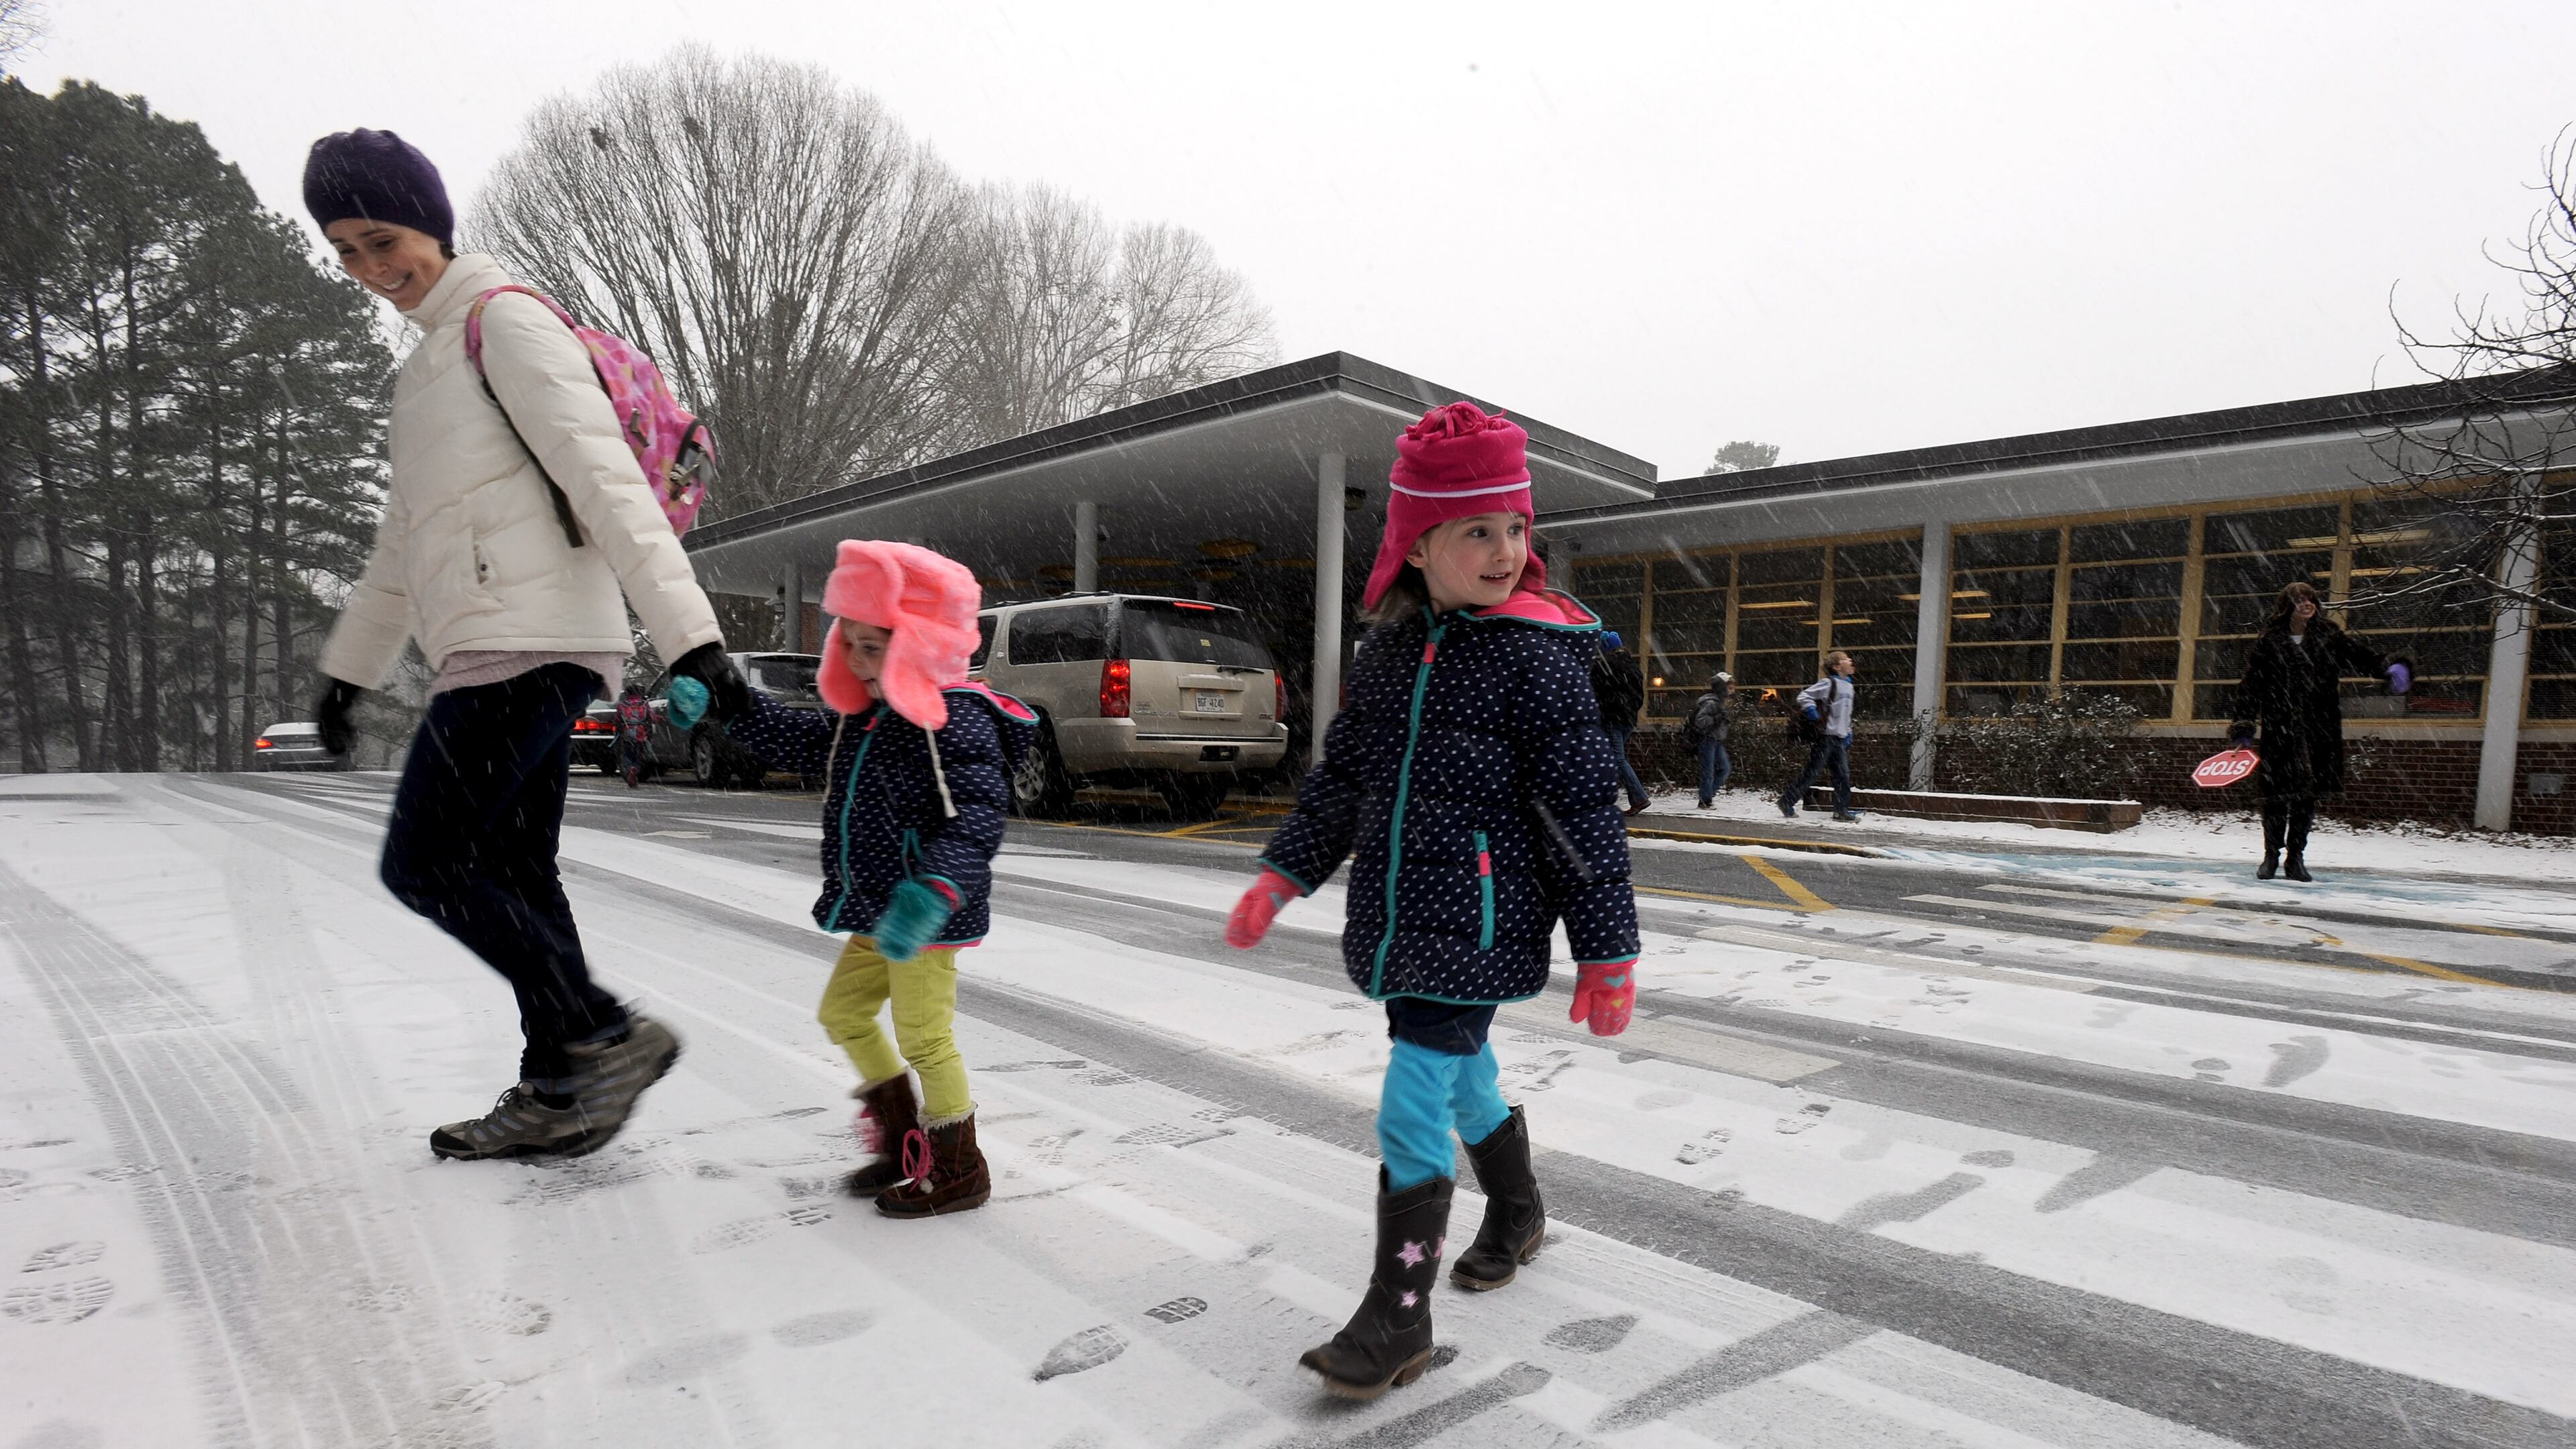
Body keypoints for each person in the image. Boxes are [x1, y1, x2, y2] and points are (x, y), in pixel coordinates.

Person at [301, 129, 751, 1161]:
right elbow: (400, 548)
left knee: (427, 863)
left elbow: (608, 486)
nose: (373, 270)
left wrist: (693, 642)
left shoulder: (504, 324)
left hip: (533, 639)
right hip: (496, 643)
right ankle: (562, 1090)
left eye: (382, 239)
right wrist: (345, 674)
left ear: (432, 223)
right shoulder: (424, 375)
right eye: (346, 252)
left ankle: (600, 1035)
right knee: (514, 870)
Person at [1222, 402, 1638, 1401]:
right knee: (1460, 1078)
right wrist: (1284, 873)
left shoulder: (1538, 659)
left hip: (1484, 923)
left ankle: (1395, 1316)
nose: (1507, 552)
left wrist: (1608, 948)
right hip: (1405, 917)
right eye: (1478, 532)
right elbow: (1343, 782)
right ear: (1418, 544)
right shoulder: (1390, 658)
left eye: (1517, 529)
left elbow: (1582, 810)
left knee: (1415, 1095)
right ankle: (1519, 1205)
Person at [697, 540, 1034, 1216]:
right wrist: (726, 700)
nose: (855, 659)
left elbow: (975, 818)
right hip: (883, 909)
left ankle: (959, 1169)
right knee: (843, 1012)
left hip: (926, 913)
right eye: (848, 642)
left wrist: (935, 891)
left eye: (874, 645)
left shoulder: (951, 718)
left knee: (925, 1038)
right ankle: (904, 1138)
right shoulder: (871, 715)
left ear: (920, 643)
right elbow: (793, 738)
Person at [2229, 581, 2408, 881]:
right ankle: (2271, 855)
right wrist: (2244, 726)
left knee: (2306, 796)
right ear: (2288, 605)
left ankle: (2295, 858)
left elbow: (2360, 656)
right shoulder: (2269, 641)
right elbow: (2251, 687)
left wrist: (2388, 668)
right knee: (2275, 796)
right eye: (2300, 600)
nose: (2306, 604)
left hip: (2318, 729)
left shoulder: (2329, 636)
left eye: (2310, 599)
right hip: (2280, 728)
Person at [1780, 651, 1860, 821]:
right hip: (1825, 737)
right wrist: (1811, 711)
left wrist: (1848, 732)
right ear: (1837, 667)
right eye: (1846, 659)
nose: (1850, 661)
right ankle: (1787, 801)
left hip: (1839, 738)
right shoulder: (1828, 683)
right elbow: (1804, 696)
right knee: (1813, 772)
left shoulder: (1850, 687)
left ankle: (1841, 811)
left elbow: (1846, 714)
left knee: (1842, 775)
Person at [1590, 631, 1652, 815]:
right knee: (1609, 758)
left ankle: (1639, 797)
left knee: (1616, 759)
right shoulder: (1633, 667)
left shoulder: (1604, 666)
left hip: (1611, 719)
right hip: (1628, 719)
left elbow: (1592, 693)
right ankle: (1601, 796)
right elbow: (1639, 698)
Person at [1686, 671, 1733, 808]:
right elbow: (1700, 721)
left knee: (1724, 768)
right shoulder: (1711, 703)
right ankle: (1705, 801)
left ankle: (1706, 795)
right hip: (1707, 740)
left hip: (1717, 740)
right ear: (1721, 688)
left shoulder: (1720, 702)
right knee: (1708, 771)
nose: (1732, 691)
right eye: (1729, 687)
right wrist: (1718, 718)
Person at [616, 686, 653, 789]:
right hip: (641, 734)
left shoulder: (622, 705)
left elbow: (618, 719)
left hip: (627, 734)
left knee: (627, 755)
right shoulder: (644, 705)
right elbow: (651, 718)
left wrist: (618, 730)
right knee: (640, 756)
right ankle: (636, 768)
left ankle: (629, 769)